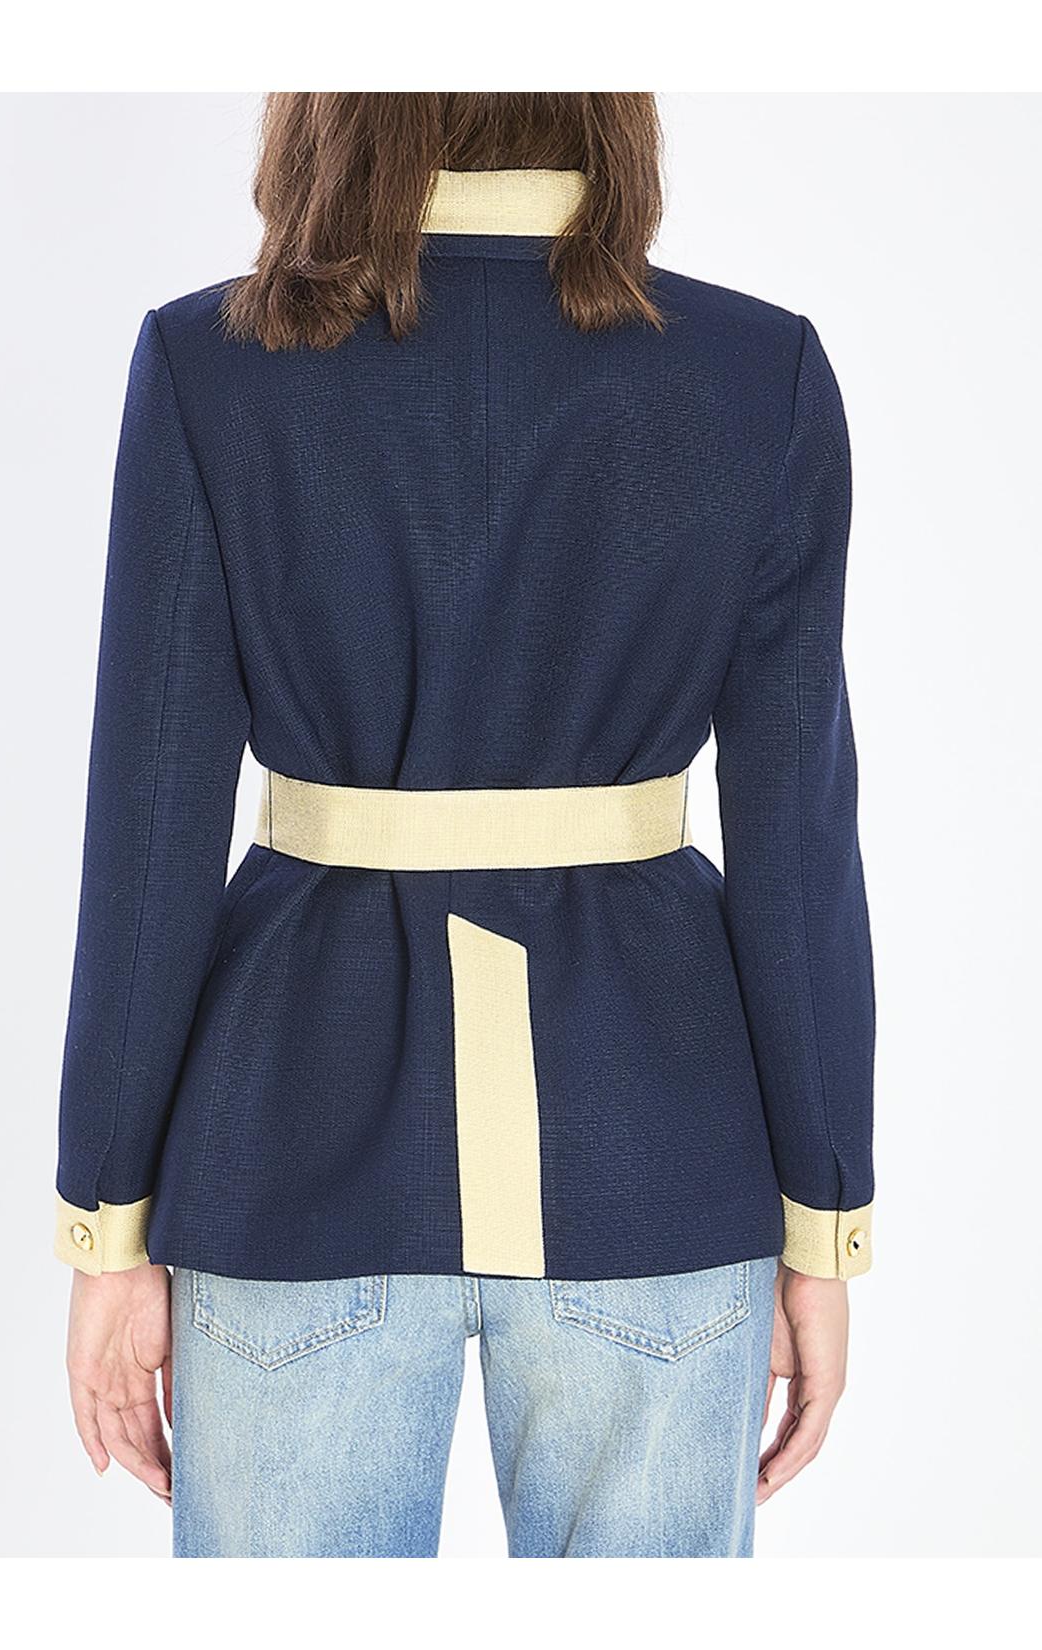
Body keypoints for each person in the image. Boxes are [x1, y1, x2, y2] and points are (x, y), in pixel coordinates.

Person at [54, 92, 875, 1559]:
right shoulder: (761, 373)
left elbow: (149, 830)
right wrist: (825, 1226)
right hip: (657, 1158)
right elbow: (798, 853)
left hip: (290, 1159)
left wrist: (107, 1225)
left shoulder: (210, 364)